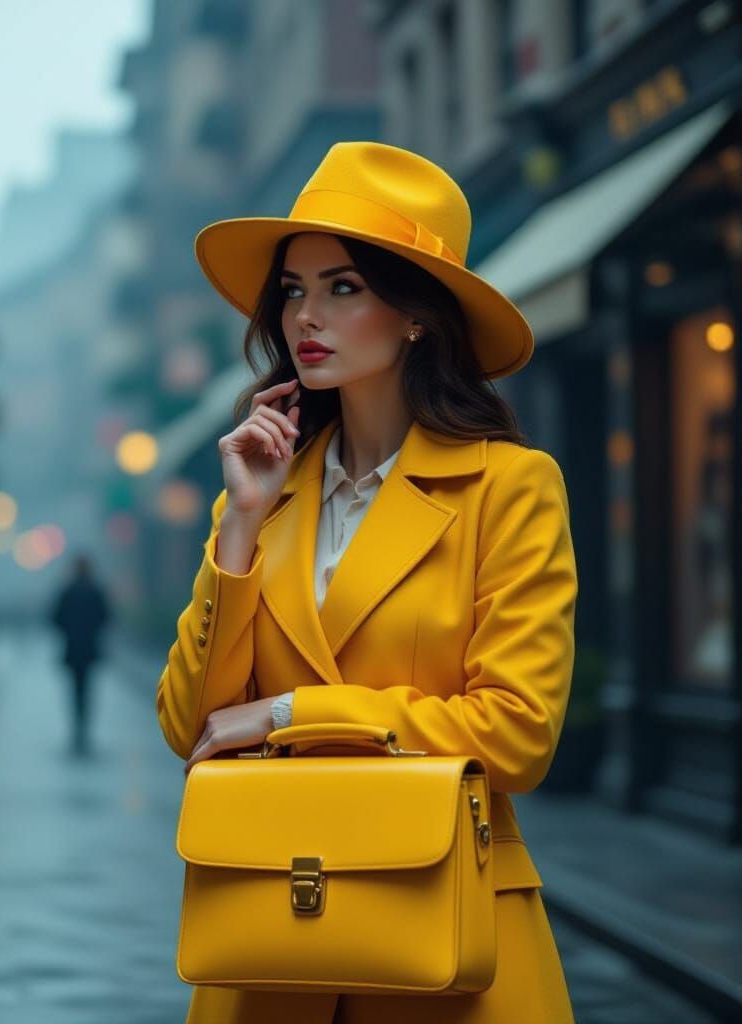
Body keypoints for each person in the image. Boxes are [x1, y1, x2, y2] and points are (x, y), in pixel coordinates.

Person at [157, 142, 578, 1023]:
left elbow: (516, 736)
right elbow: (190, 725)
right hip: (270, 942)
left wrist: (289, 715)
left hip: (449, 931)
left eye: (343, 287)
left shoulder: (508, 488)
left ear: (416, 314)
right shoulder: (261, 498)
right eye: (293, 290)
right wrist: (240, 526)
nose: (306, 317)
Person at [50, 553, 111, 756]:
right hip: (90, 649)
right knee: (87, 689)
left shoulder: (67, 591)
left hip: (72, 648)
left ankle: (77, 726)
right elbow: (106, 617)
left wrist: (69, 631)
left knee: (75, 689)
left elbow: (55, 618)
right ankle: (83, 725)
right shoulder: (96, 591)